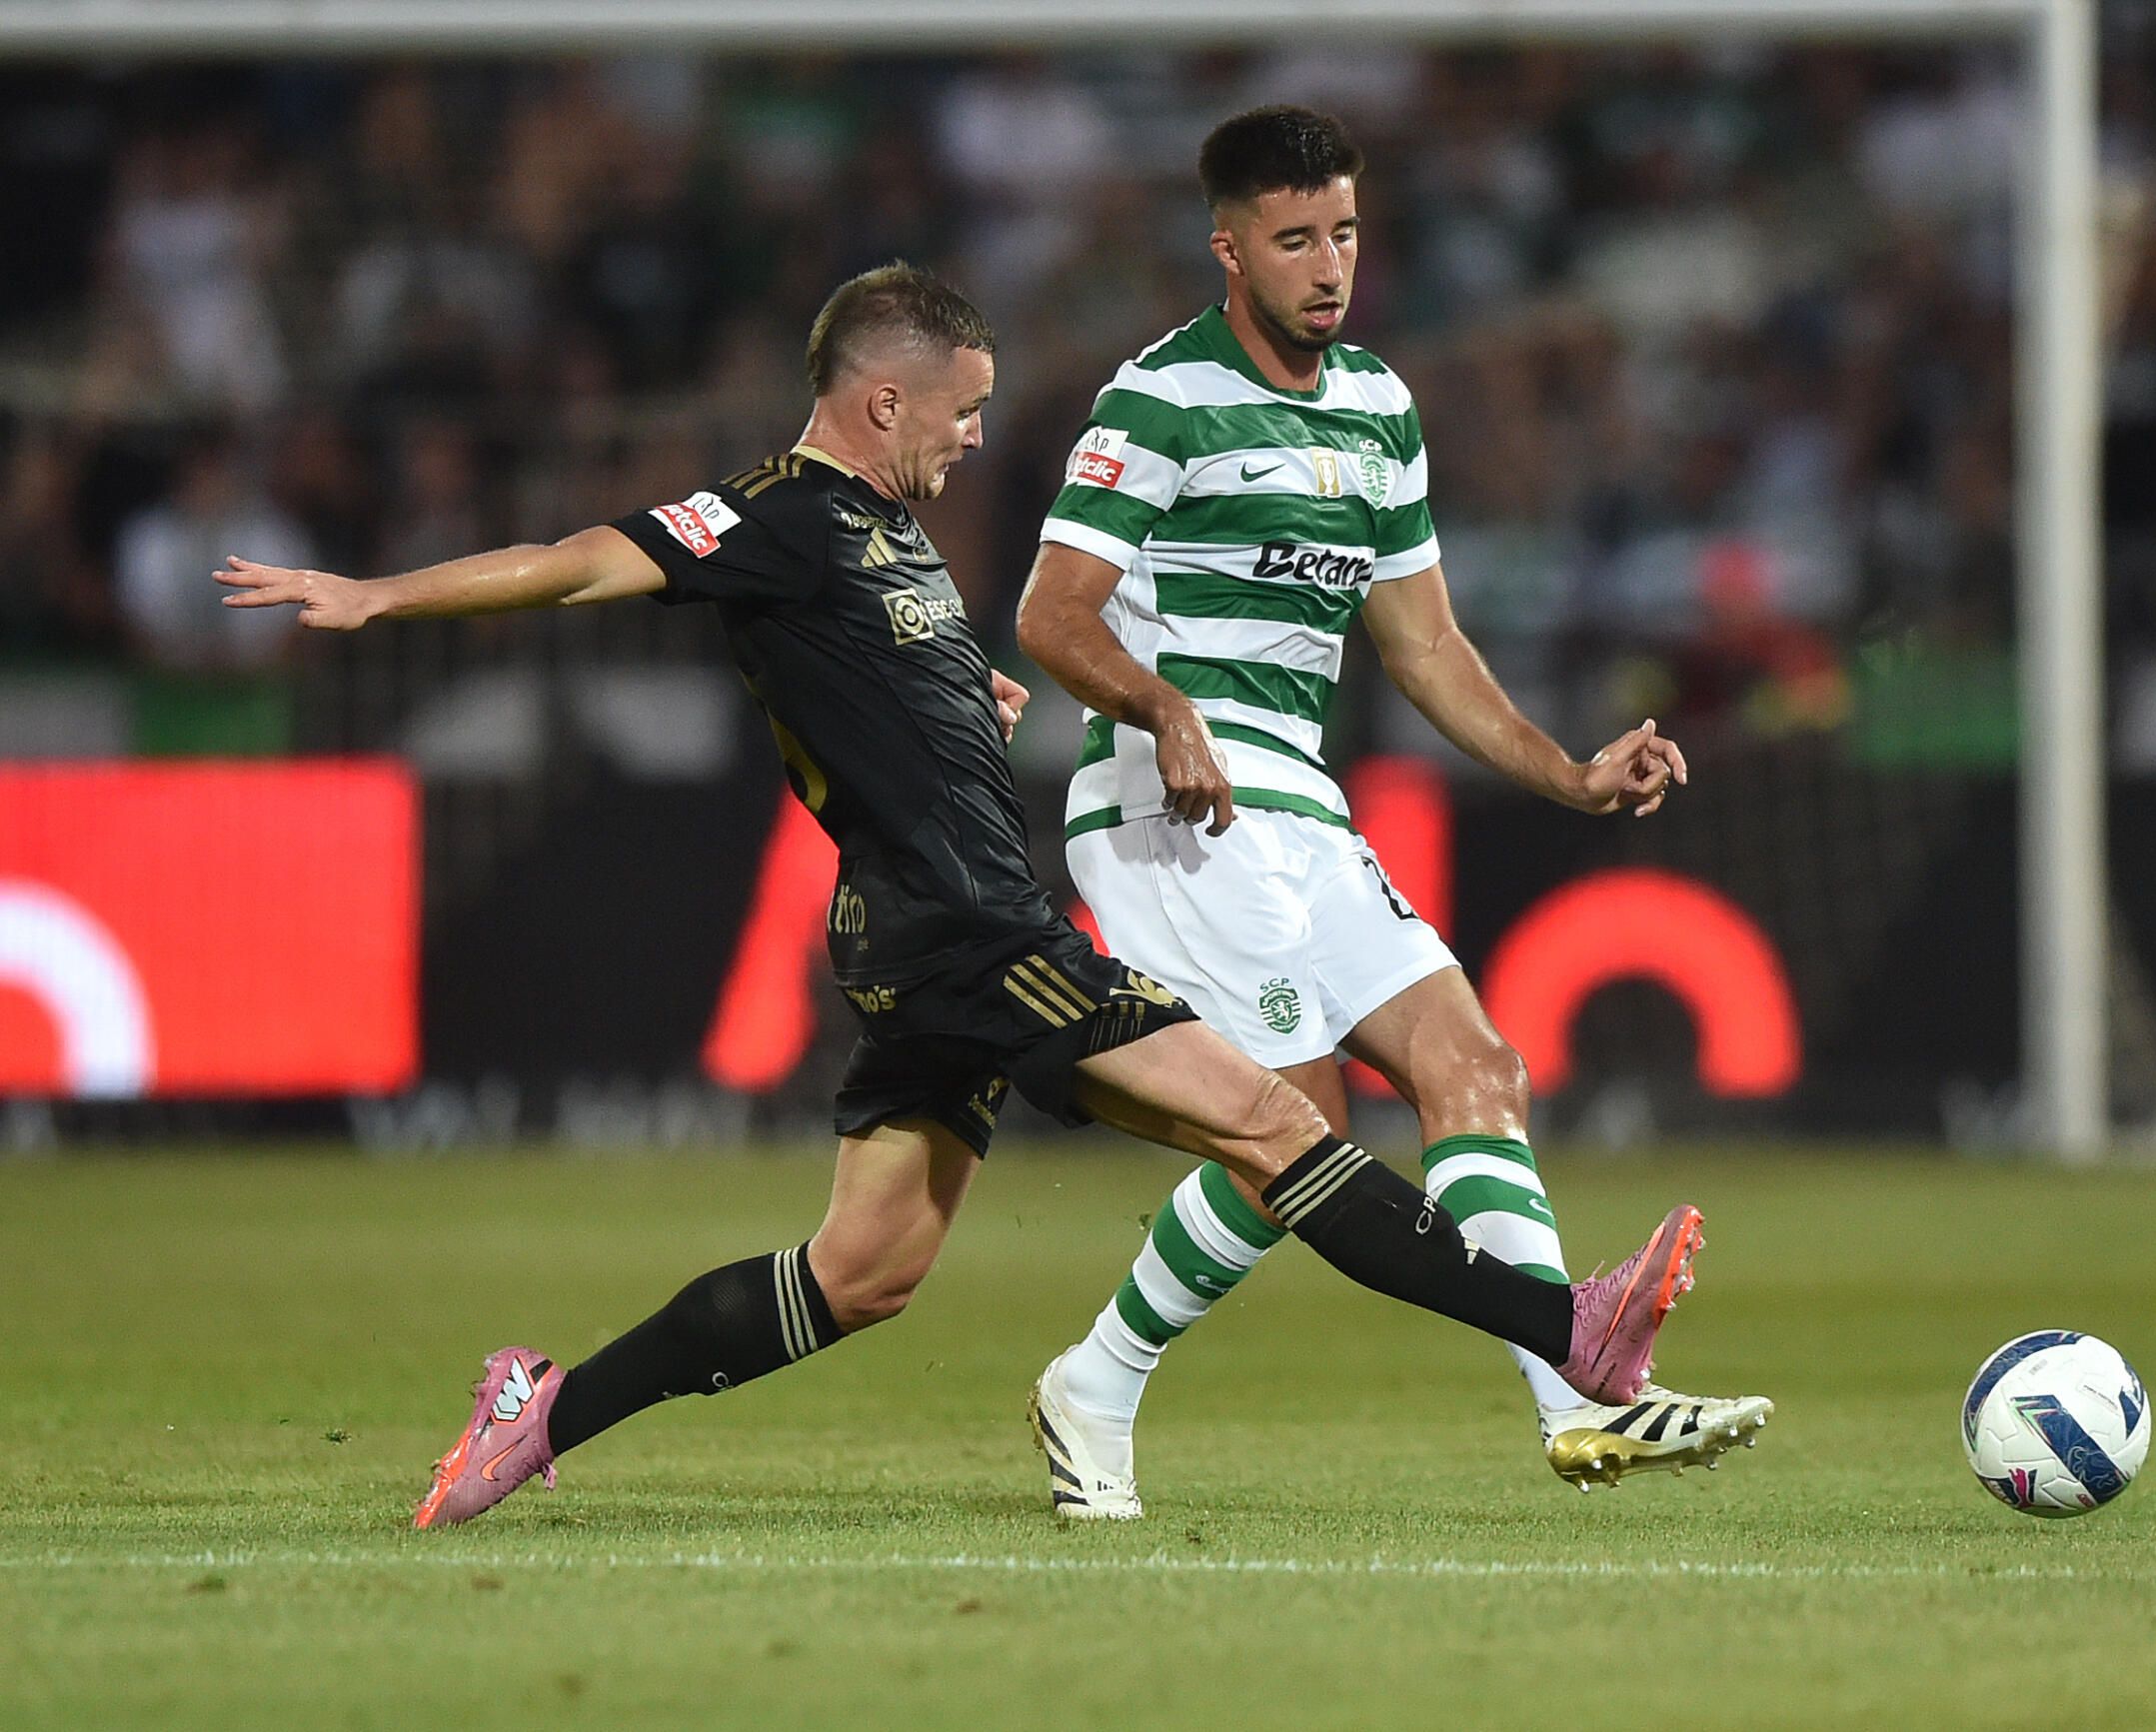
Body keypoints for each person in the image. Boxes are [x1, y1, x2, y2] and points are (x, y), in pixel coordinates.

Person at [215, 262, 1702, 1530]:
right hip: (973, 932)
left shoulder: (889, 535)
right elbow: (572, 563)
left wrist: (954, 694)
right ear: (883, 403)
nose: (978, 432)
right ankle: (1560, 1326)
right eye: (963, 407)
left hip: (923, 936)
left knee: (860, 1274)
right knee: (1271, 1118)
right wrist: (375, 596)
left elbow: (872, 679)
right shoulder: (782, 517)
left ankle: (540, 1410)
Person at [1018, 109, 1770, 1518]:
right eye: (1295, 238)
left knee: (1474, 1064)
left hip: (1298, 802)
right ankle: (1098, 1381)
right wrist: (1163, 706)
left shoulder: (1377, 407)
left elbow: (1424, 647)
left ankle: (1580, 1403)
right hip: (1169, 800)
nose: (1327, 265)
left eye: (1345, 233)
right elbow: (1050, 614)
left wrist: (1566, 769)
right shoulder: (1157, 399)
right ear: (1228, 245)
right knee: (1292, 1120)